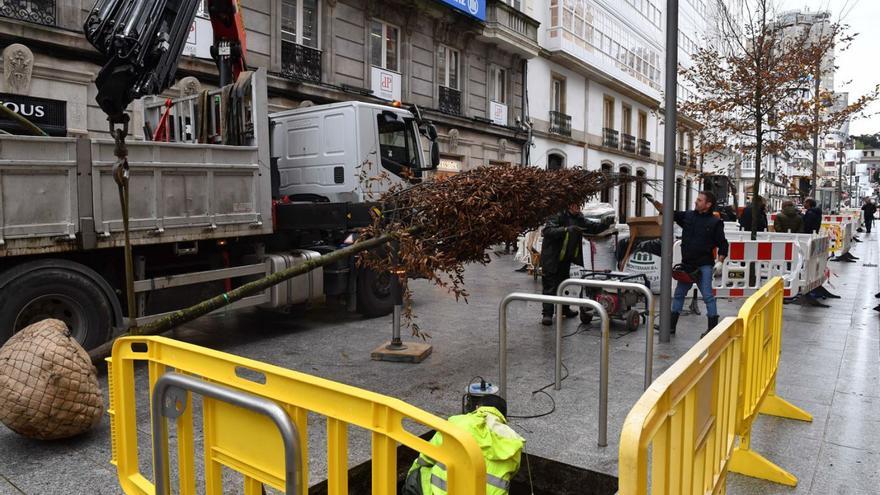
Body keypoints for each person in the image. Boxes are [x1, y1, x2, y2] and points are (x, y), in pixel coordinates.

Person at [646, 191, 729, 336]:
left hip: (704, 265)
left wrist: (720, 261)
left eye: (699, 200)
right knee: (679, 295)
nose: (696, 202)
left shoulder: (715, 222)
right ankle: (670, 327)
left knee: (708, 296)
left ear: (708, 204)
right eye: (697, 199)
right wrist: (655, 202)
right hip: (688, 265)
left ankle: (712, 330)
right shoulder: (688, 216)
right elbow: (670, 213)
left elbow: (723, 244)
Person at [540, 203, 590, 326]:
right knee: (550, 286)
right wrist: (567, 229)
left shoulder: (579, 217)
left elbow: (589, 226)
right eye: (575, 205)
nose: (577, 208)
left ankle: (564, 309)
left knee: (564, 284)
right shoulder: (557, 215)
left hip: (565, 258)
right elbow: (547, 231)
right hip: (551, 257)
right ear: (569, 206)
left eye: (579, 206)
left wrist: (604, 224)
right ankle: (547, 314)